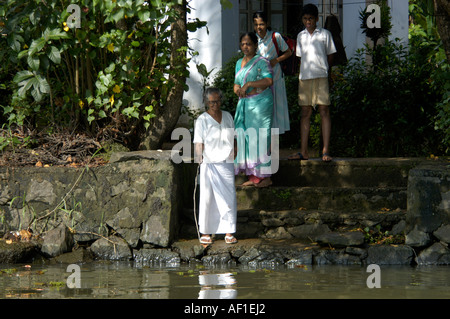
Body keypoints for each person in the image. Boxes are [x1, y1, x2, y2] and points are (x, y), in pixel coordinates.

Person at [288, 4, 336, 162]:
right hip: (305, 78)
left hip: (321, 76)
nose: (308, 21)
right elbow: (301, 58)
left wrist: (325, 71)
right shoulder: (301, 36)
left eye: (310, 18)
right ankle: (303, 151)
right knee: (305, 114)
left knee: (324, 112)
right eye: (305, 18)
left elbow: (330, 56)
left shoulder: (325, 34)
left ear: (316, 19)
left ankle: (325, 151)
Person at [193, 87, 238, 245]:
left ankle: (229, 231)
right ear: (206, 102)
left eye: (217, 101)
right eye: (212, 102)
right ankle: (206, 232)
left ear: (221, 100)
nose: (215, 104)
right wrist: (199, 159)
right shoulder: (202, 120)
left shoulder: (227, 116)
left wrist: (235, 151)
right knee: (207, 197)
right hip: (209, 163)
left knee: (229, 196)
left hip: (226, 162)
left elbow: (234, 137)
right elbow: (199, 142)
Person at [234, 32, 274, 188]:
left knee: (262, 138)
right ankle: (254, 176)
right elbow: (236, 84)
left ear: (255, 45)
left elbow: (269, 80)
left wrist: (250, 84)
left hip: (261, 103)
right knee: (248, 138)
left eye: (248, 44)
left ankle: (266, 177)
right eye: (243, 43)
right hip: (246, 103)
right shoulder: (239, 63)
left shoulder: (262, 62)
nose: (245, 46)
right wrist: (239, 91)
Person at [253, 11, 291, 135]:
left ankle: (273, 149)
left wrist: (276, 60)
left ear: (267, 24)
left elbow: (288, 52)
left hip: (275, 78)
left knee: (275, 112)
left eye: (261, 24)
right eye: (256, 24)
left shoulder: (275, 37)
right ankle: (262, 148)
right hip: (259, 81)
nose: (259, 27)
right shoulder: (252, 40)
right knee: (260, 112)